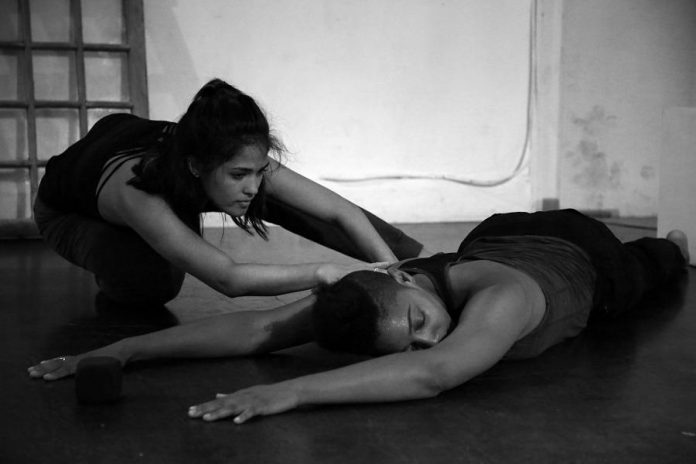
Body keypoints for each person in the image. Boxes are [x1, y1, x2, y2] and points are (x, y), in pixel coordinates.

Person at [28, 209, 689, 424]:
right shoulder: (374, 293)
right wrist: (125, 351)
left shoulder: (503, 301)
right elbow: (257, 328)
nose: (431, 337)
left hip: (584, 259)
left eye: (420, 323)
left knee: (659, 262)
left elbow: (436, 374)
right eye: (407, 341)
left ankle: (675, 242)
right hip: (499, 232)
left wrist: (281, 393)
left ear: (404, 277)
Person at [33, 78, 428, 308]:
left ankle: (423, 264)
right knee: (155, 282)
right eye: (240, 174)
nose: (253, 185)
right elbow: (229, 279)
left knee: (288, 200)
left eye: (258, 170)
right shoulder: (136, 191)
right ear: (196, 166)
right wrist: (328, 273)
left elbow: (340, 211)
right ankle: (116, 279)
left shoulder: (229, 151)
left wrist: (395, 268)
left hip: (164, 167)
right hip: (70, 213)